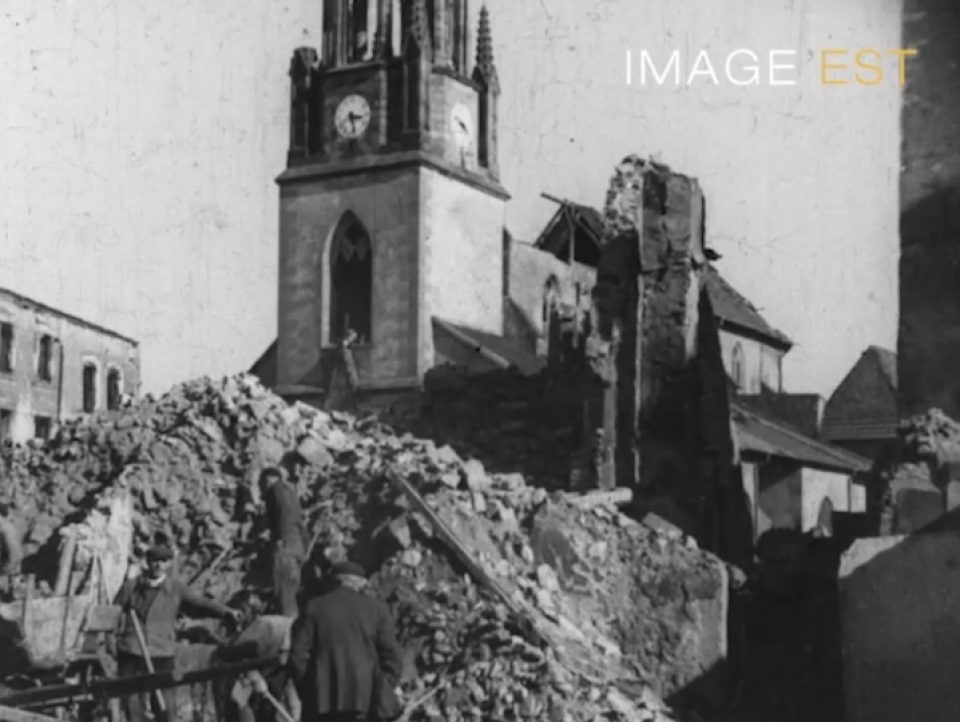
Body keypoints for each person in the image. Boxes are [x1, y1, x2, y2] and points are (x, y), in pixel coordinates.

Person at [114, 544, 242, 722]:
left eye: (163, 561)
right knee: (130, 700)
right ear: (147, 563)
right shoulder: (131, 587)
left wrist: (226, 612)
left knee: (166, 703)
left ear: (168, 564)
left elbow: (200, 604)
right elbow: (113, 614)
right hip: (132, 650)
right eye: (154, 561)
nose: (158, 565)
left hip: (161, 650)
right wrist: (111, 639)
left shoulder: (175, 589)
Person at [289, 561, 404, 722]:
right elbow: (393, 657)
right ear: (359, 583)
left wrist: (310, 691)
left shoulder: (313, 607)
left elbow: (297, 656)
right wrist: (381, 688)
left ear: (334, 581)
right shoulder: (376, 609)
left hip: (321, 703)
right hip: (366, 702)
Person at [261, 461, 307, 617]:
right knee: (292, 590)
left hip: (286, 544)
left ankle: (287, 628)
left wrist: (280, 537)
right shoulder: (291, 492)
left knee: (284, 591)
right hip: (297, 545)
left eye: (261, 484)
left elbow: (283, 512)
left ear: (268, 480)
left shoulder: (277, 489)